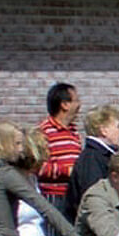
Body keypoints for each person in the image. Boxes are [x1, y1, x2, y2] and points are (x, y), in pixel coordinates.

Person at [0, 121, 85, 236]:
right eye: (17, 143)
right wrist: (72, 235)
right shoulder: (4, 173)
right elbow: (40, 203)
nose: (20, 150)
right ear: (4, 144)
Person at [65, 104, 119, 221]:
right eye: (118, 127)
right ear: (103, 130)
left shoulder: (101, 156)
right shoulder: (93, 159)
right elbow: (94, 199)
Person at [36, 83, 83, 221]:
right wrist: (68, 171)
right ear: (65, 105)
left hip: (72, 195)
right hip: (54, 197)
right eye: (76, 100)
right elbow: (38, 167)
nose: (79, 105)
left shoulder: (73, 132)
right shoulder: (44, 132)